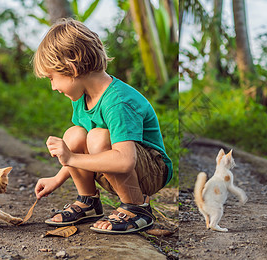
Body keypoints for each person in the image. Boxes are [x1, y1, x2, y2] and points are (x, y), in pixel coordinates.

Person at [32, 19, 172, 234]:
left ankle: (137, 207)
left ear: (71, 68)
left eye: (52, 78)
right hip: (116, 168)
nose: (52, 87)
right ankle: (88, 202)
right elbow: (76, 151)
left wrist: (70, 158)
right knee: (75, 134)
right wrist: (57, 179)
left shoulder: (118, 101)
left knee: (98, 137)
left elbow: (125, 161)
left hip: (151, 171)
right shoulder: (80, 97)